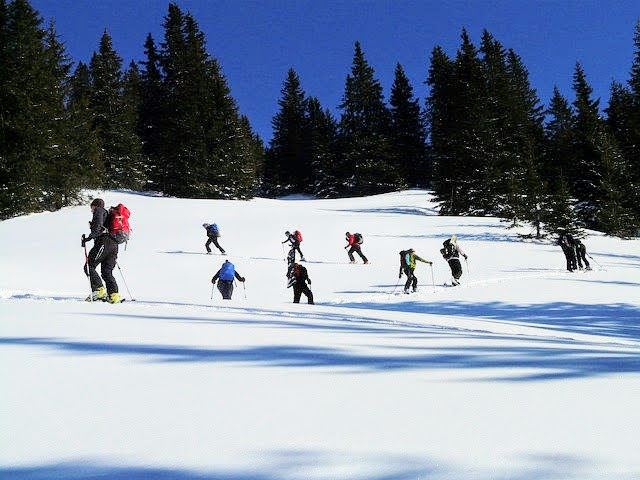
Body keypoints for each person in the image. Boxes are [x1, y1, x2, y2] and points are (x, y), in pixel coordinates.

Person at [82, 198, 120, 303]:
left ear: (96, 205)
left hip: (104, 242)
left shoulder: (99, 210)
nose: (91, 210)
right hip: (114, 245)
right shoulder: (107, 214)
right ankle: (113, 295)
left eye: (92, 207)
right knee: (106, 271)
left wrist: (88, 238)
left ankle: (98, 290)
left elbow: (97, 226)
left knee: (89, 266)